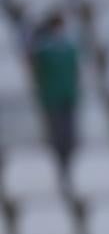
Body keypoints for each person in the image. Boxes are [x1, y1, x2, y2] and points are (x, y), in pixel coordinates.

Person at [29, 13, 78, 161]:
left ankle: (68, 152)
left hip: (67, 95)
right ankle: (57, 153)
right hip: (51, 96)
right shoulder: (44, 50)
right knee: (55, 128)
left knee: (68, 128)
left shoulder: (70, 49)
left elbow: (74, 72)